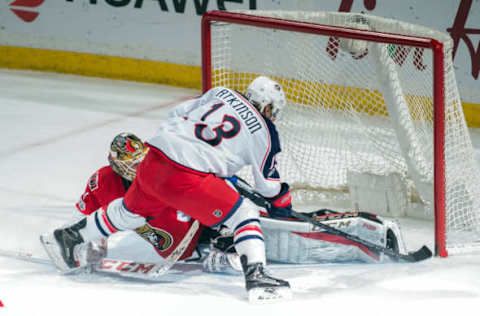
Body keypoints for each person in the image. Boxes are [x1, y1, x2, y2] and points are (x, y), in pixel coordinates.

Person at [41, 76, 293, 301]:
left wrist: (198, 150)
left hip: (154, 156)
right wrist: (283, 201)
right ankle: (258, 277)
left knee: (129, 212)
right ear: (268, 107)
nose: (273, 117)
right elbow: (268, 187)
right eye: (274, 112)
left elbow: (176, 113)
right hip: (186, 175)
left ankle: (68, 237)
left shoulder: (221, 92)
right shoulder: (265, 131)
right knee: (245, 214)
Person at [71, 132, 203, 267]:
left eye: (143, 161)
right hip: (170, 244)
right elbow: (84, 213)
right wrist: (80, 241)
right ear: (119, 166)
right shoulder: (104, 181)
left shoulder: (164, 173)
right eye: (134, 165)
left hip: (196, 233)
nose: (142, 168)